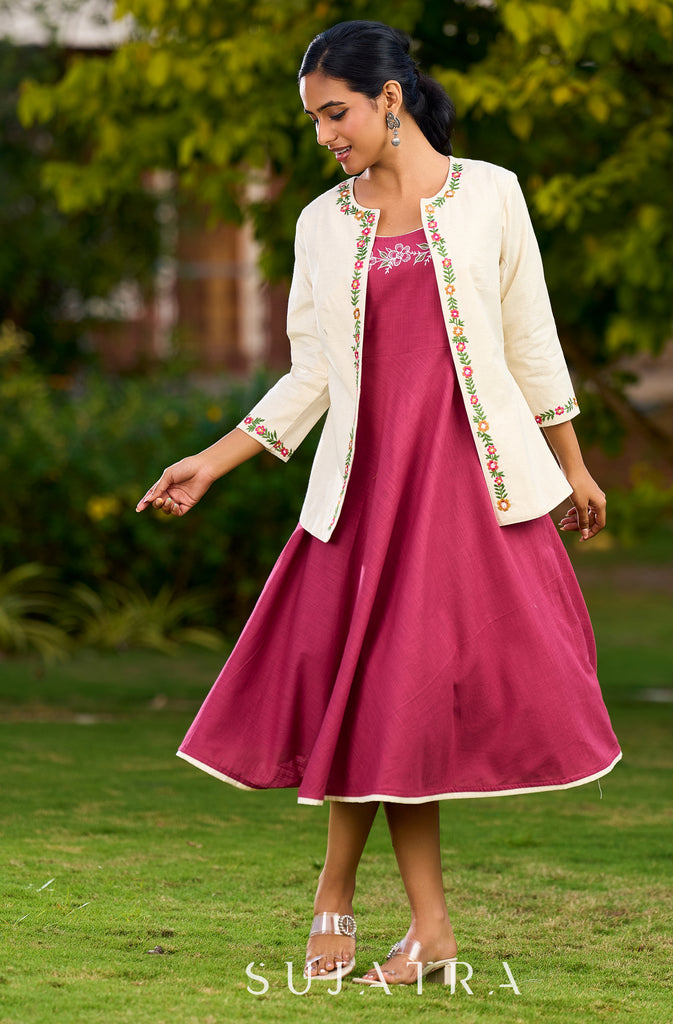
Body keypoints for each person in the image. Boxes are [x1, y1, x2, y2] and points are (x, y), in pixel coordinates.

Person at [136, 20, 621, 988]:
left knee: (401, 701)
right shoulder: (321, 222)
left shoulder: (492, 193)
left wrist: (574, 465)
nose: (325, 135)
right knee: (377, 698)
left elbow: (530, 339)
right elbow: (311, 373)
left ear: (389, 98)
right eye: (315, 121)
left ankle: (372, 908)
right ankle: (402, 920)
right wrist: (213, 461)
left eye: (336, 114)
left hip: (467, 491)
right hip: (366, 493)